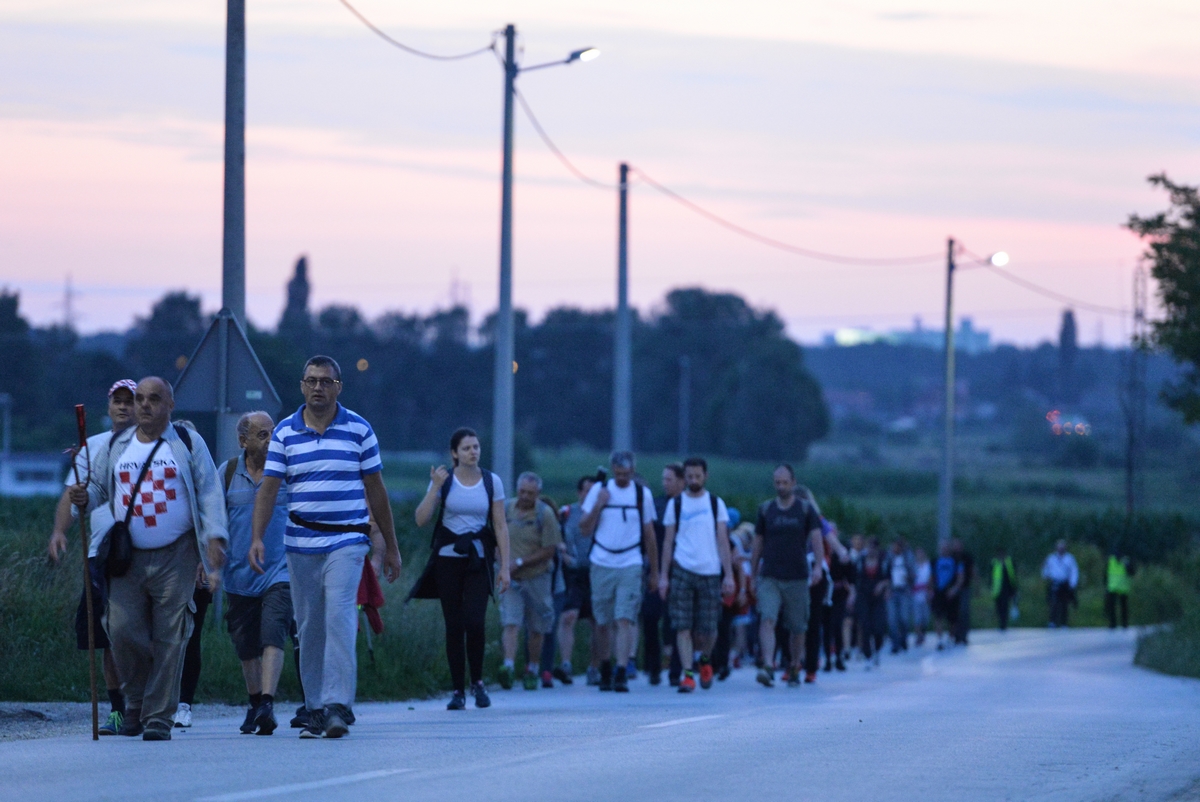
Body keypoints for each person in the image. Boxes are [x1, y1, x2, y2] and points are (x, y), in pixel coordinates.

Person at [69, 377, 229, 741]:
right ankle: (136, 703)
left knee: (171, 637)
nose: (144, 405)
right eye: (140, 399)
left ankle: (158, 718)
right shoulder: (118, 444)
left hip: (177, 555)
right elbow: (97, 488)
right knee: (122, 630)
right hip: (127, 558)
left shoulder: (187, 442)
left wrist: (215, 534)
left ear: (170, 404)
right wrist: (84, 496)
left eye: (153, 399)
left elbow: (208, 489)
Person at [251, 356, 402, 738]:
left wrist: (393, 546)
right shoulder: (285, 433)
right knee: (308, 628)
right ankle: (315, 708)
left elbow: (376, 489)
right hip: (301, 543)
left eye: (326, 381)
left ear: (339, 387)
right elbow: (268, 490)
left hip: (348, 541)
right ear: (302, 386)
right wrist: (256, 537)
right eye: (312, 381)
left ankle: (338, 706)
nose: (318, 387)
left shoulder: (359, 430)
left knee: (339, 618)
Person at [48, 378, 136, 736]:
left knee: (137, 633)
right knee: (107, 634)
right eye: (118, 400)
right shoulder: (90, 448)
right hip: (101, 551)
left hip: (141, 549)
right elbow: (73, 495)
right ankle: (118, 710)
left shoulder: (151, 446)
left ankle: (148, 703)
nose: (124, 407)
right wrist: (59, 532)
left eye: (130, 401)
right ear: (109, 405)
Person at [412, 427, 511, 710]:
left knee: (475, 622)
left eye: (476, 447)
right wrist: (434, 487)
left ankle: (477, 683)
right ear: (455, 453)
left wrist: (505, 567)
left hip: (478, 558)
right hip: (447, 558)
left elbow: (501, 524)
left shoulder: (492, 482)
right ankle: (457, 690)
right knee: (454, 625)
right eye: (466, 448)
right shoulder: (445, 481)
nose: (473, 452)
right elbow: (421, 519)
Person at [220, 411, 296, 735]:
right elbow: (214, 520)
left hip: (279, 569)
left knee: (273, 632)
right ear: (243, 441)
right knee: (245, 646)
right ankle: (254, 705)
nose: (270, 440)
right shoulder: (227, 473)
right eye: (262, 434)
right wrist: (207, 560)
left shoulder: (286, 472)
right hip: (237, 574)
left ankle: (267, 702)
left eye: (273, 433)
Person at [580, 451, 659, 693]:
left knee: (624, 618)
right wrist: (599, 504)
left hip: (630, 561)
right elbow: (584, 529)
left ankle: (622, 670)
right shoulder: (599, 490)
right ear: (613, 470)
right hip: (602, 561)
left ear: (633, 472)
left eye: (627, 474)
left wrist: (654, 571)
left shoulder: (640, 494)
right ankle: (605, 666)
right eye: (619, 474)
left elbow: (649, 535)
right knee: (602, 620)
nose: (623, 478)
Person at [659, 457, 734, 693]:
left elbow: (723, 540)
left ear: (705, 476)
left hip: (710, 571)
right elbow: (668, 542)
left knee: (709, 627)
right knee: (682, 625)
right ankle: (688, 674)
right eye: (689, 476)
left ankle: (705, 660)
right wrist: (663, 575)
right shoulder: (677, 504)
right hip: (682, 569)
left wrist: (728, 575)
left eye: (697, 476)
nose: (693, 480)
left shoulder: (715, 503)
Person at [751, 464, 823, 688]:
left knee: (798, 626)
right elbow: (758, 543)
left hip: (797, 576)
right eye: (777, 482)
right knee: (767, 618)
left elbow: (817, 538)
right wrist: (753, 573)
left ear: (793, 482)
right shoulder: (766, 510)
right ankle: (769, 665)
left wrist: (819, 566)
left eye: (784, 482)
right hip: (770, 575)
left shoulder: (805, 510)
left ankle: (794, 664)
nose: (780, 486)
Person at [500, 472, 562, 690]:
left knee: (536, 627)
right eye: (522, 491)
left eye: (531, 493)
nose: (525, 496)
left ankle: (532, 668)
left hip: (537, 577)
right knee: (511, 622)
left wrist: (520, 561)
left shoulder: (545, 515)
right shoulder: (506, 509)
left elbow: (549, 550)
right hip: (511, 579)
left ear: (538, 493)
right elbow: (496, 537)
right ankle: (507, 666)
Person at [552, 476, 598, 685]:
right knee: (568, 616)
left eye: (593, 492)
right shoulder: (567, 513)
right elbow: (554, 533)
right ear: (579, 493)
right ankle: (566, 665)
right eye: (586, 491)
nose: (589, 495)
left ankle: (595, 667)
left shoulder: (602, 512)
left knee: (598, 621)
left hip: (597, 570)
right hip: (573, 572)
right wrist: (562, 550)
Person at [648, 464, 684, 686]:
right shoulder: (657, 504)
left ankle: (675, 669)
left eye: (669, 479)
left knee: (678, 621)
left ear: (681, 481)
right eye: (664, 479)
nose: (665, 483)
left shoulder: (688, 505)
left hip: (681, 568)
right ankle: (653, 667)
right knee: (650, 616)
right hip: (656, 565)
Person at [855, 538, 888, 666]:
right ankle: (867, 655)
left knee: (878, 627)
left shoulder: (883, 562)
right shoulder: (860, 562)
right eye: (869, 547)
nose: (870, 550)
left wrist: (882, 585)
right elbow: (855, 578)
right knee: (865, 626)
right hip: (863, 597)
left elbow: (888, 578)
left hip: (878, 598)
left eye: (873, 548)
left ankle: (877, 649)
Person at [884, 539, 915, 654]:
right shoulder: (889, 558)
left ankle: (903, 638)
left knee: (904, 618)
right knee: (892, 619)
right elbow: (885, 574)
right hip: (892, 591)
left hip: (904, 591)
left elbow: (914, 573)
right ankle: (895, 643)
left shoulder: (908, 558)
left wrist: (909, 578)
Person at [931, 541, 962, 649]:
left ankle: (950, 636)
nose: (944, 550)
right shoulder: (935, 561)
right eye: (942, 548)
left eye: (946, 548)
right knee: (938, 616)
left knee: (952, 618)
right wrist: (930, 590)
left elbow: (960, 577)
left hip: (951, 592)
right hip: (939, 592)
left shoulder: (956, 561)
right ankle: (939, 640)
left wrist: (955, 589)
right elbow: (931, 576)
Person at [1042, 540, 1079, 629]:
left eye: (1062, 547)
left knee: (1064, 604)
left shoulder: (1069, 558)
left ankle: (1064, 623)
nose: (1061, 549)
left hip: (1065, 583)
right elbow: (1046, 568)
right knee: (1053, 603)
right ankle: (1052, 622)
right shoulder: (1051, 558)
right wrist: (1045, 575)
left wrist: (1072, 583)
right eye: (1059, 547)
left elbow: (1074, 571)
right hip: (1054, 582)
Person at [952, 538, 975, 645]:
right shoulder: (951, 558)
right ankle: (956, 634)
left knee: (964, 611)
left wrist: (976, 584)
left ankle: (964, 635)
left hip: (965, 588)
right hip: (953, 589)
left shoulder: (967, 557)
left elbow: (972, 571)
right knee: (954, 612)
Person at [1105, 549, 1134, 629]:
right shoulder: (1112, 561)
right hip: (1114, 587)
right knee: (1114, 607)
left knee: (1122, 607)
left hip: (1120, 588)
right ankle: (1115, 623)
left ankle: (1122, 623)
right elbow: (1106, 573)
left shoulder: (1122, 561)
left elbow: (1131, 572)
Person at [991, 547, 1018, 632]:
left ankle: (1003, 624)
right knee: (999, 607)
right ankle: (1001, 622)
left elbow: (1013, 576)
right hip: (997, 589)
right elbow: (991, 576)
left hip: (1007, 588)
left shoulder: (1009, 562)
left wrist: (1014, 588)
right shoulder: (994, 563)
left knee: (1005, 606)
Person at [911, 547, 931, 646]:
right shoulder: (913, 566)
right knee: (917, 617)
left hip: (926, 593)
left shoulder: (928, 566)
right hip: (915, 594)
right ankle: (918, 636)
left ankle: (923, 632)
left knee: (925, 617)